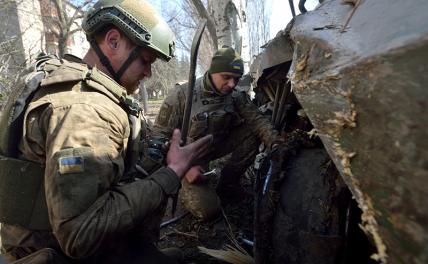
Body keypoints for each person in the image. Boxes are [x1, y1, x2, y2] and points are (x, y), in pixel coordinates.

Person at [0, 0, 212, 263]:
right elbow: (80, 235)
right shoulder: (85, 111)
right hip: (59, 254)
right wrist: (172, 174)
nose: (148, 72)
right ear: (113, 41)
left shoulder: (71, 82)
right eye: (145, 60)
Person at [153, 47, 283, 221]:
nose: (232, 84)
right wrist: (184, 169)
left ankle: (228, 183)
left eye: (236, 79)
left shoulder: (235, 96)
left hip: (217, 145)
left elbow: (257, 121)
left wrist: (276, 143)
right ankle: (186, 184)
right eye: (226, 77)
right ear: (212, 71)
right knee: (209, 211)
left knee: (253, 132)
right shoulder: (182, 95)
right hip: (188, 158)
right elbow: (159, 138)